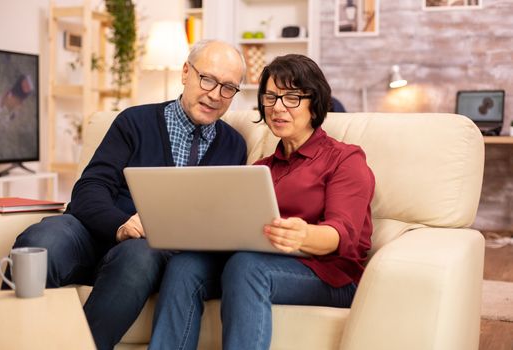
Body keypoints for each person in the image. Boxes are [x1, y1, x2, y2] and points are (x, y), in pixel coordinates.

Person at [2, 39, 247, 350]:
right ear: (186, 72)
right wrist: (121, 225)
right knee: (42, 240)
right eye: (207, 79)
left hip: (146, 255)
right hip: (92, 233)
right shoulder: (135, 122)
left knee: (140, 255)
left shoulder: (234, 146)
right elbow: (89, 190)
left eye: (228, 88)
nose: (215, 94)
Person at [148, 54, 375, 349]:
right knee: (185, 266)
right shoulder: (260, 169)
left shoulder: (345, 158)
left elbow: (342, 235)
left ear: (314, 102)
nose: (278, 108)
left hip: (331, 274)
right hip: (260, 261)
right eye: (270, 97)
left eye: (291, 97)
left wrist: (303, 235)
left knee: (246, 266)